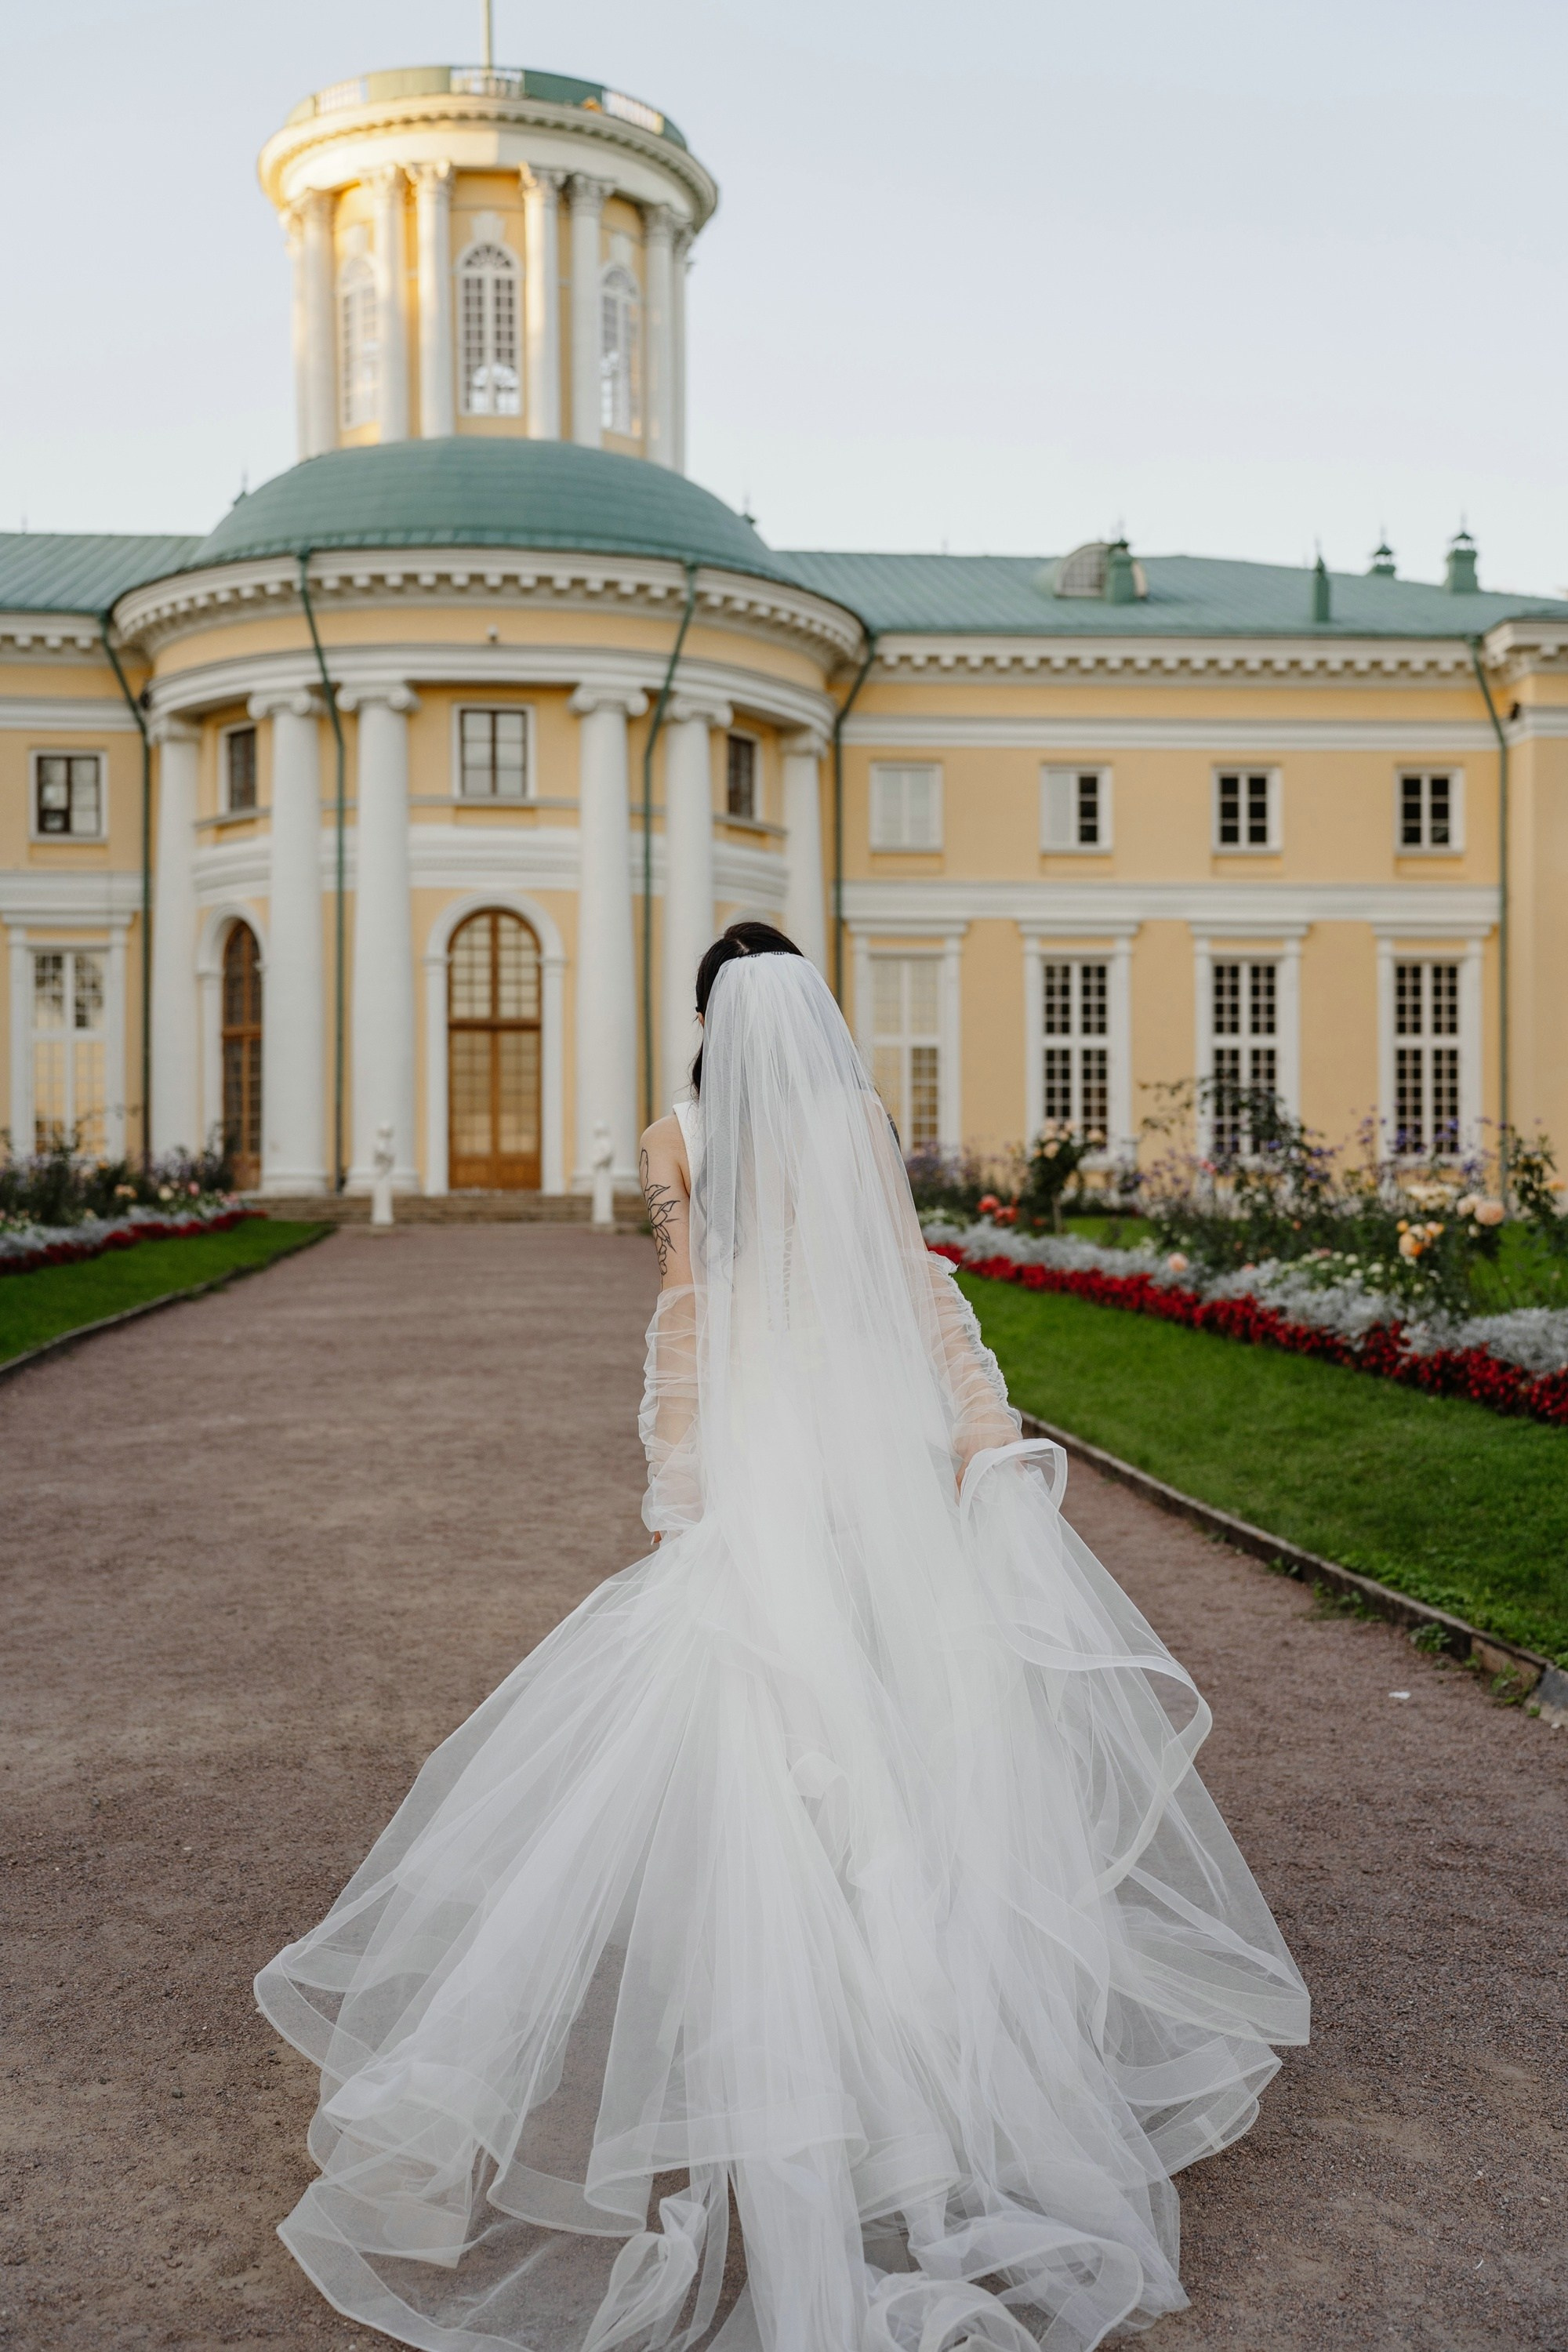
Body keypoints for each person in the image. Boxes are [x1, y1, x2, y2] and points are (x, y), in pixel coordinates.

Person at [256, 920, 1308, 2352]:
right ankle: (936, 2064)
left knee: (776, 1728)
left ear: (706, 1018)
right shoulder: (862, 1119)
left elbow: (683, 1312)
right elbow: (921, 1280)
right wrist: (983, 1432)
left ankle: (795, 2047)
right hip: (875, 1438)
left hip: (768, 1439)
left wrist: (676, 1486)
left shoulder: (676, 1131)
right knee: (906, 1720)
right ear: (809, 1015)